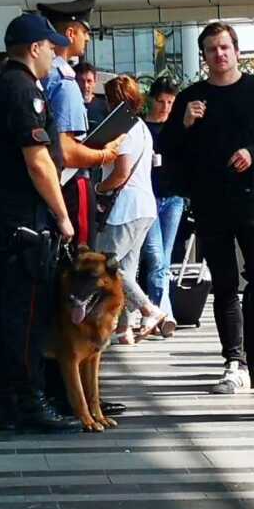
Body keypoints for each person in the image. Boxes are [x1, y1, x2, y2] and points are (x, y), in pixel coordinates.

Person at [160, 21, 254, 398]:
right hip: (209, 203)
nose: (219, 55)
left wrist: (253, 154)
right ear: (204, 56)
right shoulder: (192, 98)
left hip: (253, 199)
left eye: (225, 47)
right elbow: (169, 150)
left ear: (236, 51)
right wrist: (185, 123)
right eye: (211, 49)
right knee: (224, 286)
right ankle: (233, 364)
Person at [0, 13, 78, 433]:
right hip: (24, 217)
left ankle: (17, 400)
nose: (56, 56)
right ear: (34, 48)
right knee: (26, 312)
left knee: (13, 309)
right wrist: (63, 215)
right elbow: (38, 161)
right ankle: (25, 401)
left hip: (10, 212)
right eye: (52, 49)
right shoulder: (21, 92)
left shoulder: (9, 87)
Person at [36, 0, 123, 248]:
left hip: (48, 187)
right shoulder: (63, 80)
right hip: (71, 184)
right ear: (71, 33)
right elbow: (67, 150)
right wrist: (107, 154)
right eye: (85, 31)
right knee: (81, 264)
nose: (87, 37)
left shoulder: (42, 74)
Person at [93, 76, 168, 344]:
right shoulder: (143, 128)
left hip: (125, 208)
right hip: (145, 206)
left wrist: (99, 188)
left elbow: (121, 173)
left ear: (114, 100)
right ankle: (124, 329)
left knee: (106, 266)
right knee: (126, 267)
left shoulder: (122, 129)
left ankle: (149, 310)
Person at [140, 76, 183, 337]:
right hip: (148, 197)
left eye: (170, 102)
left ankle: (154, 316)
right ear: (151, 100)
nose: (165, 107)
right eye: (161, 101)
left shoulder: (177, 128)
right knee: (156, 258)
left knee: (164, 260)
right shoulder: (142, 128)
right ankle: (164, 315)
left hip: (173, 197)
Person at [74, 61, 110, 130]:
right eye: (81, 81)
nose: (85, 85)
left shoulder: (105, 107)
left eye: (89, 81)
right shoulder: (68, 106)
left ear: (95, 82)